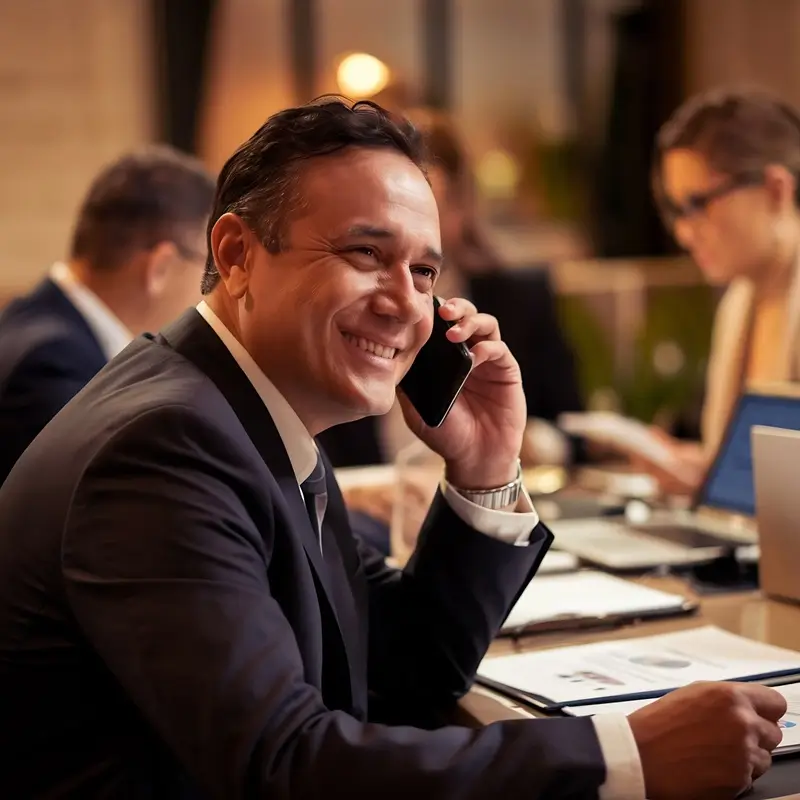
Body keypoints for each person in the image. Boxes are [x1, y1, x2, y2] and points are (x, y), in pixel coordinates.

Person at [0, 98, 785, 799]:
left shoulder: (244, 411)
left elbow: (399, 668)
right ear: (237, 255)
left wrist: (482, 470)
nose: (407, 304)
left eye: (424, 270)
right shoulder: (168, 447)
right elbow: (283, 767)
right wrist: (625, 755)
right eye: (366, 254)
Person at [0, 146, 215, 483]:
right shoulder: (52, 364)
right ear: (161, 267)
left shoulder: (34, 326)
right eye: (209, 265)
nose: (212, 290)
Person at [641, 86, 800, 491]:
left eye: (698, 204)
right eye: (676, 209)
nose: (683, 232)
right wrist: (705, 471)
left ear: (776, 190)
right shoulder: (739, 302)